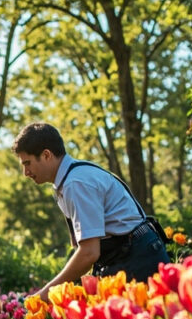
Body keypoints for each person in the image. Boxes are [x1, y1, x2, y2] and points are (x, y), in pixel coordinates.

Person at [11, 122, 171, 300]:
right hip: (125, 253)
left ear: (46, 155)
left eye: (28, 163)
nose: (25, 172)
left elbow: (89, 253)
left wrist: (44, 295)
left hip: (136, 257)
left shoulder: (76, 183)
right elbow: (82, 249)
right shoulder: (68, 180)